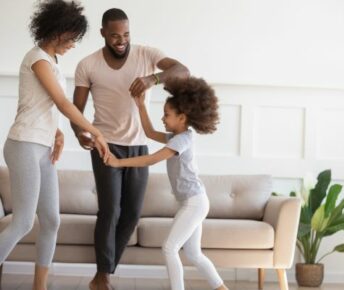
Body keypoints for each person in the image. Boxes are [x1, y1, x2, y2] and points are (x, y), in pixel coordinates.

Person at [70, 8, 190, 290]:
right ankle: (103, 276)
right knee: (110, 210)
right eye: (114, 36)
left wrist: (153, 79)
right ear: (102, 34)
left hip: (138, 146)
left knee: (133, 214)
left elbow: (183, 71)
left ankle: (104, 272)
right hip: (105, 145)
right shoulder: (87, 65)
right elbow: (76, 111)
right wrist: (80, 133)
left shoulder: (146, 55)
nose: (121, 40)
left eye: (125, 34)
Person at [0, 1, 110, 290]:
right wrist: (95, 132)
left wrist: (59, 134)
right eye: (72, 38)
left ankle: (40, 287)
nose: (73, 44)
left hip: (43, 146)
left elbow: (46, 106)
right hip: (23, 144)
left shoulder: (53, 62)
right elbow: (62, 102)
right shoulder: (37, 58)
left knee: (51, 220)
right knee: (23, 222)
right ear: (57, 31)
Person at [106, 77, 229, 290]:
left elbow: (152, 158)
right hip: (192, 201)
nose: (163, 118)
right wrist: (141, 105)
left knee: (169, 248)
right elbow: (149, 132)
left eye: (166, 115)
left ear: (182, 117)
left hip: (194, 202)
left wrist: (118, 162)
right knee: (193, 254)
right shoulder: (177, 136)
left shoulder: (182, 140)